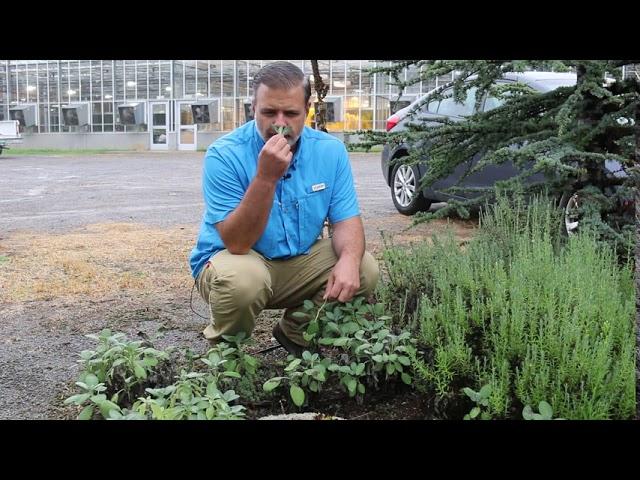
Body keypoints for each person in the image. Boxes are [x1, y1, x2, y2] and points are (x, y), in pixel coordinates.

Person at [189, 61, 379, 357]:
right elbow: (237, 243)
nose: (279, 123)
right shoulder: (224, 154)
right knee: (244, 280)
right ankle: (227, 355)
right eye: (269, 112)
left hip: (296, 264)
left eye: (290, 113)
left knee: (362, 267)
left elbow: (346, 222)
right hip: (234, 262)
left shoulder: (330, 151)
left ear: (307, 110)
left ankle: (296, 335)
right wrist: (266, 177)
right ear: (253, 108)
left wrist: (350, 259)